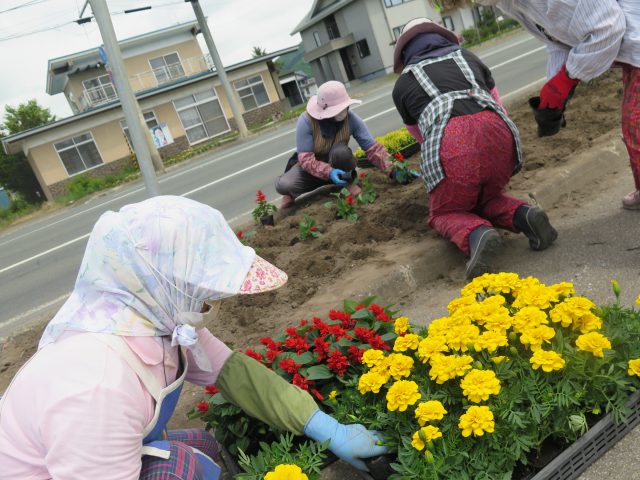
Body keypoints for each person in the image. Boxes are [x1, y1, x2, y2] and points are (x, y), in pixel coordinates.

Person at [0, 196, 387, 479]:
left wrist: (325, 427)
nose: (213, 301)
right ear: (159, 284)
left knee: (202, 447)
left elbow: (234, 373)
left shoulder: (152, 319)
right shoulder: (97, 385)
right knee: (181, 469)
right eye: (201, 288)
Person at [391, 18, 558, 279]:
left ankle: (477, 234)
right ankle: (526, 215)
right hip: (499, 134)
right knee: (485, 198)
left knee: (444, 211)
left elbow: (424, 138)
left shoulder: (403, 85)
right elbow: (498, 104)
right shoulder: (468, 58)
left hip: (453, 144)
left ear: (405, 51)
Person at [476, 0, 640, 209]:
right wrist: (554, 92)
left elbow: (608, 27)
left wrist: (567, 78)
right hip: (633, 49)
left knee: (635, 124)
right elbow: (558, 41)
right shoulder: (510, 3)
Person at [275, 80, 394, 209]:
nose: (342, 112)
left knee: (341, 152)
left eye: (343, 108)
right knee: (284, 185)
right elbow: (306, 160)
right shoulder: (306, 121)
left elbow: (372, 148)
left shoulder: (351, 119)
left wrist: (393, 170)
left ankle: (347, 182)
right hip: (310, 170)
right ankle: (291, 194)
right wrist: (329, 172)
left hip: (339, 164)